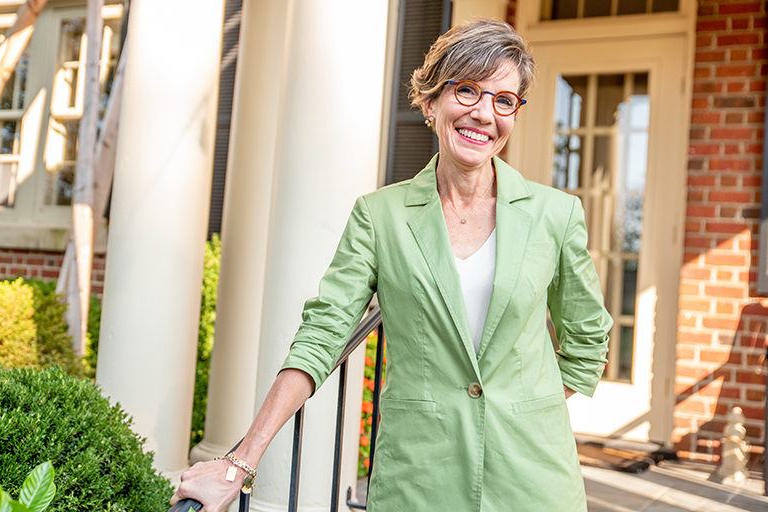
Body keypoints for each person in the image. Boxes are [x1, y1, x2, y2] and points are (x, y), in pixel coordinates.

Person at [171, 18, 612, 512]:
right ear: (431, 103)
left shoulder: (555, 214)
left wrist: (526, 407)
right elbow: (323, 335)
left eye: (503, 99)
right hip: (416, 478)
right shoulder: (379, 216)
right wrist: (240, 462)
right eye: (467, 90)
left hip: (534, 479)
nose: (484, 113)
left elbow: (588, 341)